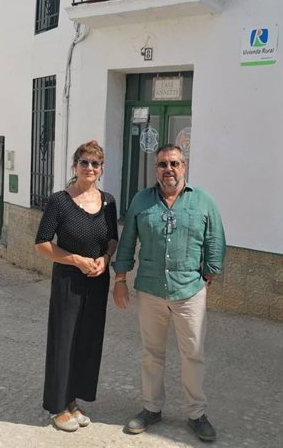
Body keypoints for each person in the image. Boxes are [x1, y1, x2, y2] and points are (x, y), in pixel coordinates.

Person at [113, 143, 226, 442]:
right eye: (163, 164)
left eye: (174, 163)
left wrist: (210, 272)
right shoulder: (141, 200)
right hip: (150, 291)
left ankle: (196, 414)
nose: (169, 170)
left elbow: (215, 238)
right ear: (156, 169)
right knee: (152, 354)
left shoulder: (202, 201)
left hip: (189, 292)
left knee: (193, 354)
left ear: (184, 166)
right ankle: (151, 408)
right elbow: (127, 242)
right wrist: (120, 279)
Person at [34, 140, 118, 432]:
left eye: (95, 164)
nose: (90, 168)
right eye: (84, 162)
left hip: (97, 280)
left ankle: (72, 401)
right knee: (63, 340)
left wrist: (106, 258)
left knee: (87, 341)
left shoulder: (108, 201)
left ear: (101, 168)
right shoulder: (59, 200)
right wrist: (77, 261)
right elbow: (42, 243)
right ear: (75, 166)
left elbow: (112, 238)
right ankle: (57, 406)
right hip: (69, 279)